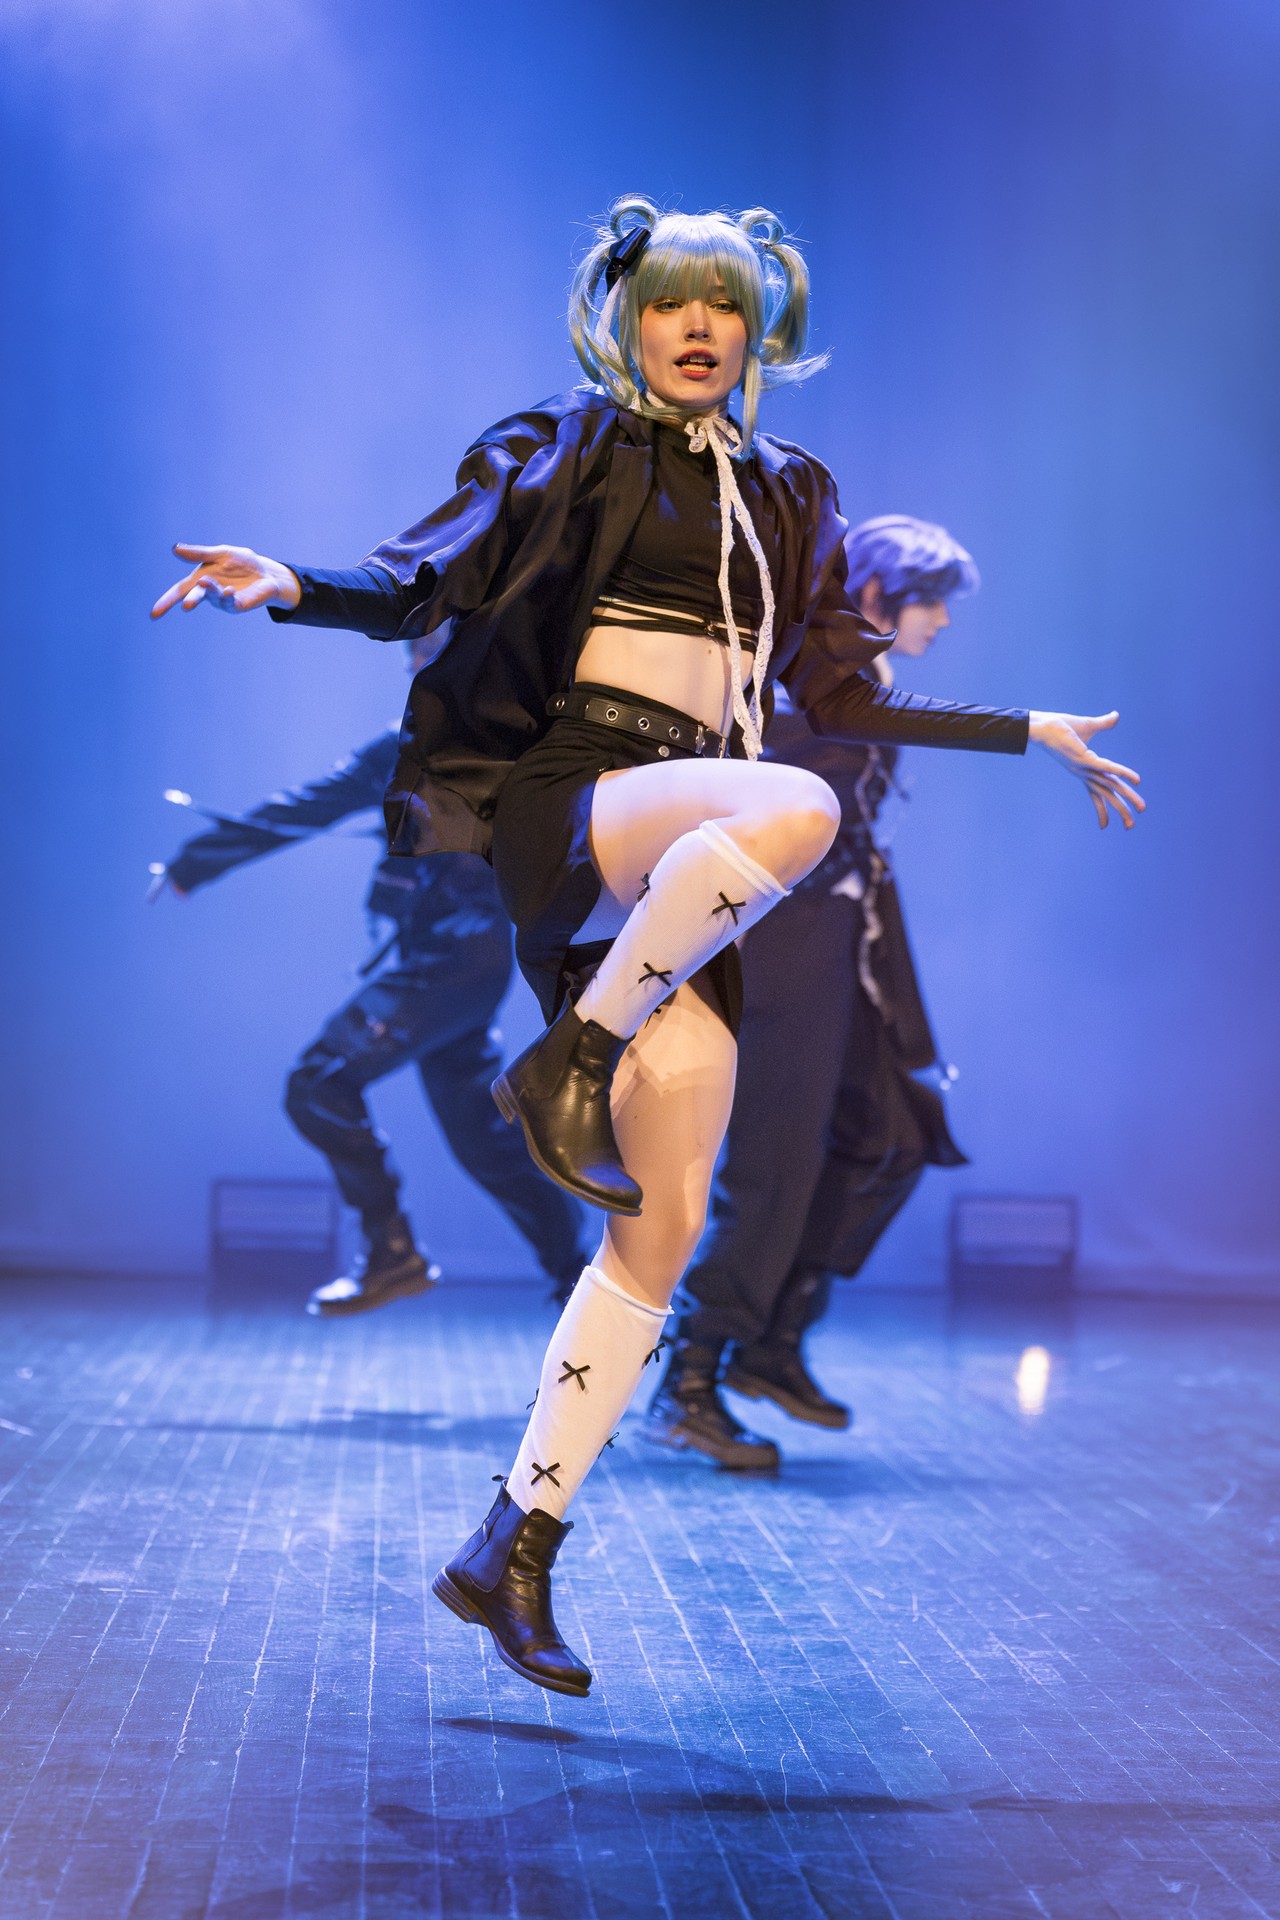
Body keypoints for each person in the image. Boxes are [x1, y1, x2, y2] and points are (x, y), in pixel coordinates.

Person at [152, 196, 1143, 1699]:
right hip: (584, 800)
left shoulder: (792, 491)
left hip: (686, 871)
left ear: (757, 331)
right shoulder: (570, 444)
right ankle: (573, 1056)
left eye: (723, 306)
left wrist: (1026, 730)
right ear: (628, 319)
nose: (698, 327)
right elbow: (424, 579)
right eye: (672, 302)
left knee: (661, 1229)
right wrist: (291, 585)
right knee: (799, 804)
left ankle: (513, 1546)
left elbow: (840, 691)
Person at [647, 516, 981, 1469]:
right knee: (777, 1160)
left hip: (853, 938)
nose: (942, 621)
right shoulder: (800, 682)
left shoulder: (850, 681)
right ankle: (691, 1378)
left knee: (893, 1135)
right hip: (783, 944)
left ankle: (775, 1339)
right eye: (930, 600)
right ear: (874, 593)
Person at [152, 661, 589, 1317]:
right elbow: (310, 807)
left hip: (456, 961)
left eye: (434, 648)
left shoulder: (501, 746)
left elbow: (571, 833)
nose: (420, 662)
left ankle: (393, 1250)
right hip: (453, 963)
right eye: (415, 653)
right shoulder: (411, 747)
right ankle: (580, 1282)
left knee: (318, 1084)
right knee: (484, 1142)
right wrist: (199, 861)